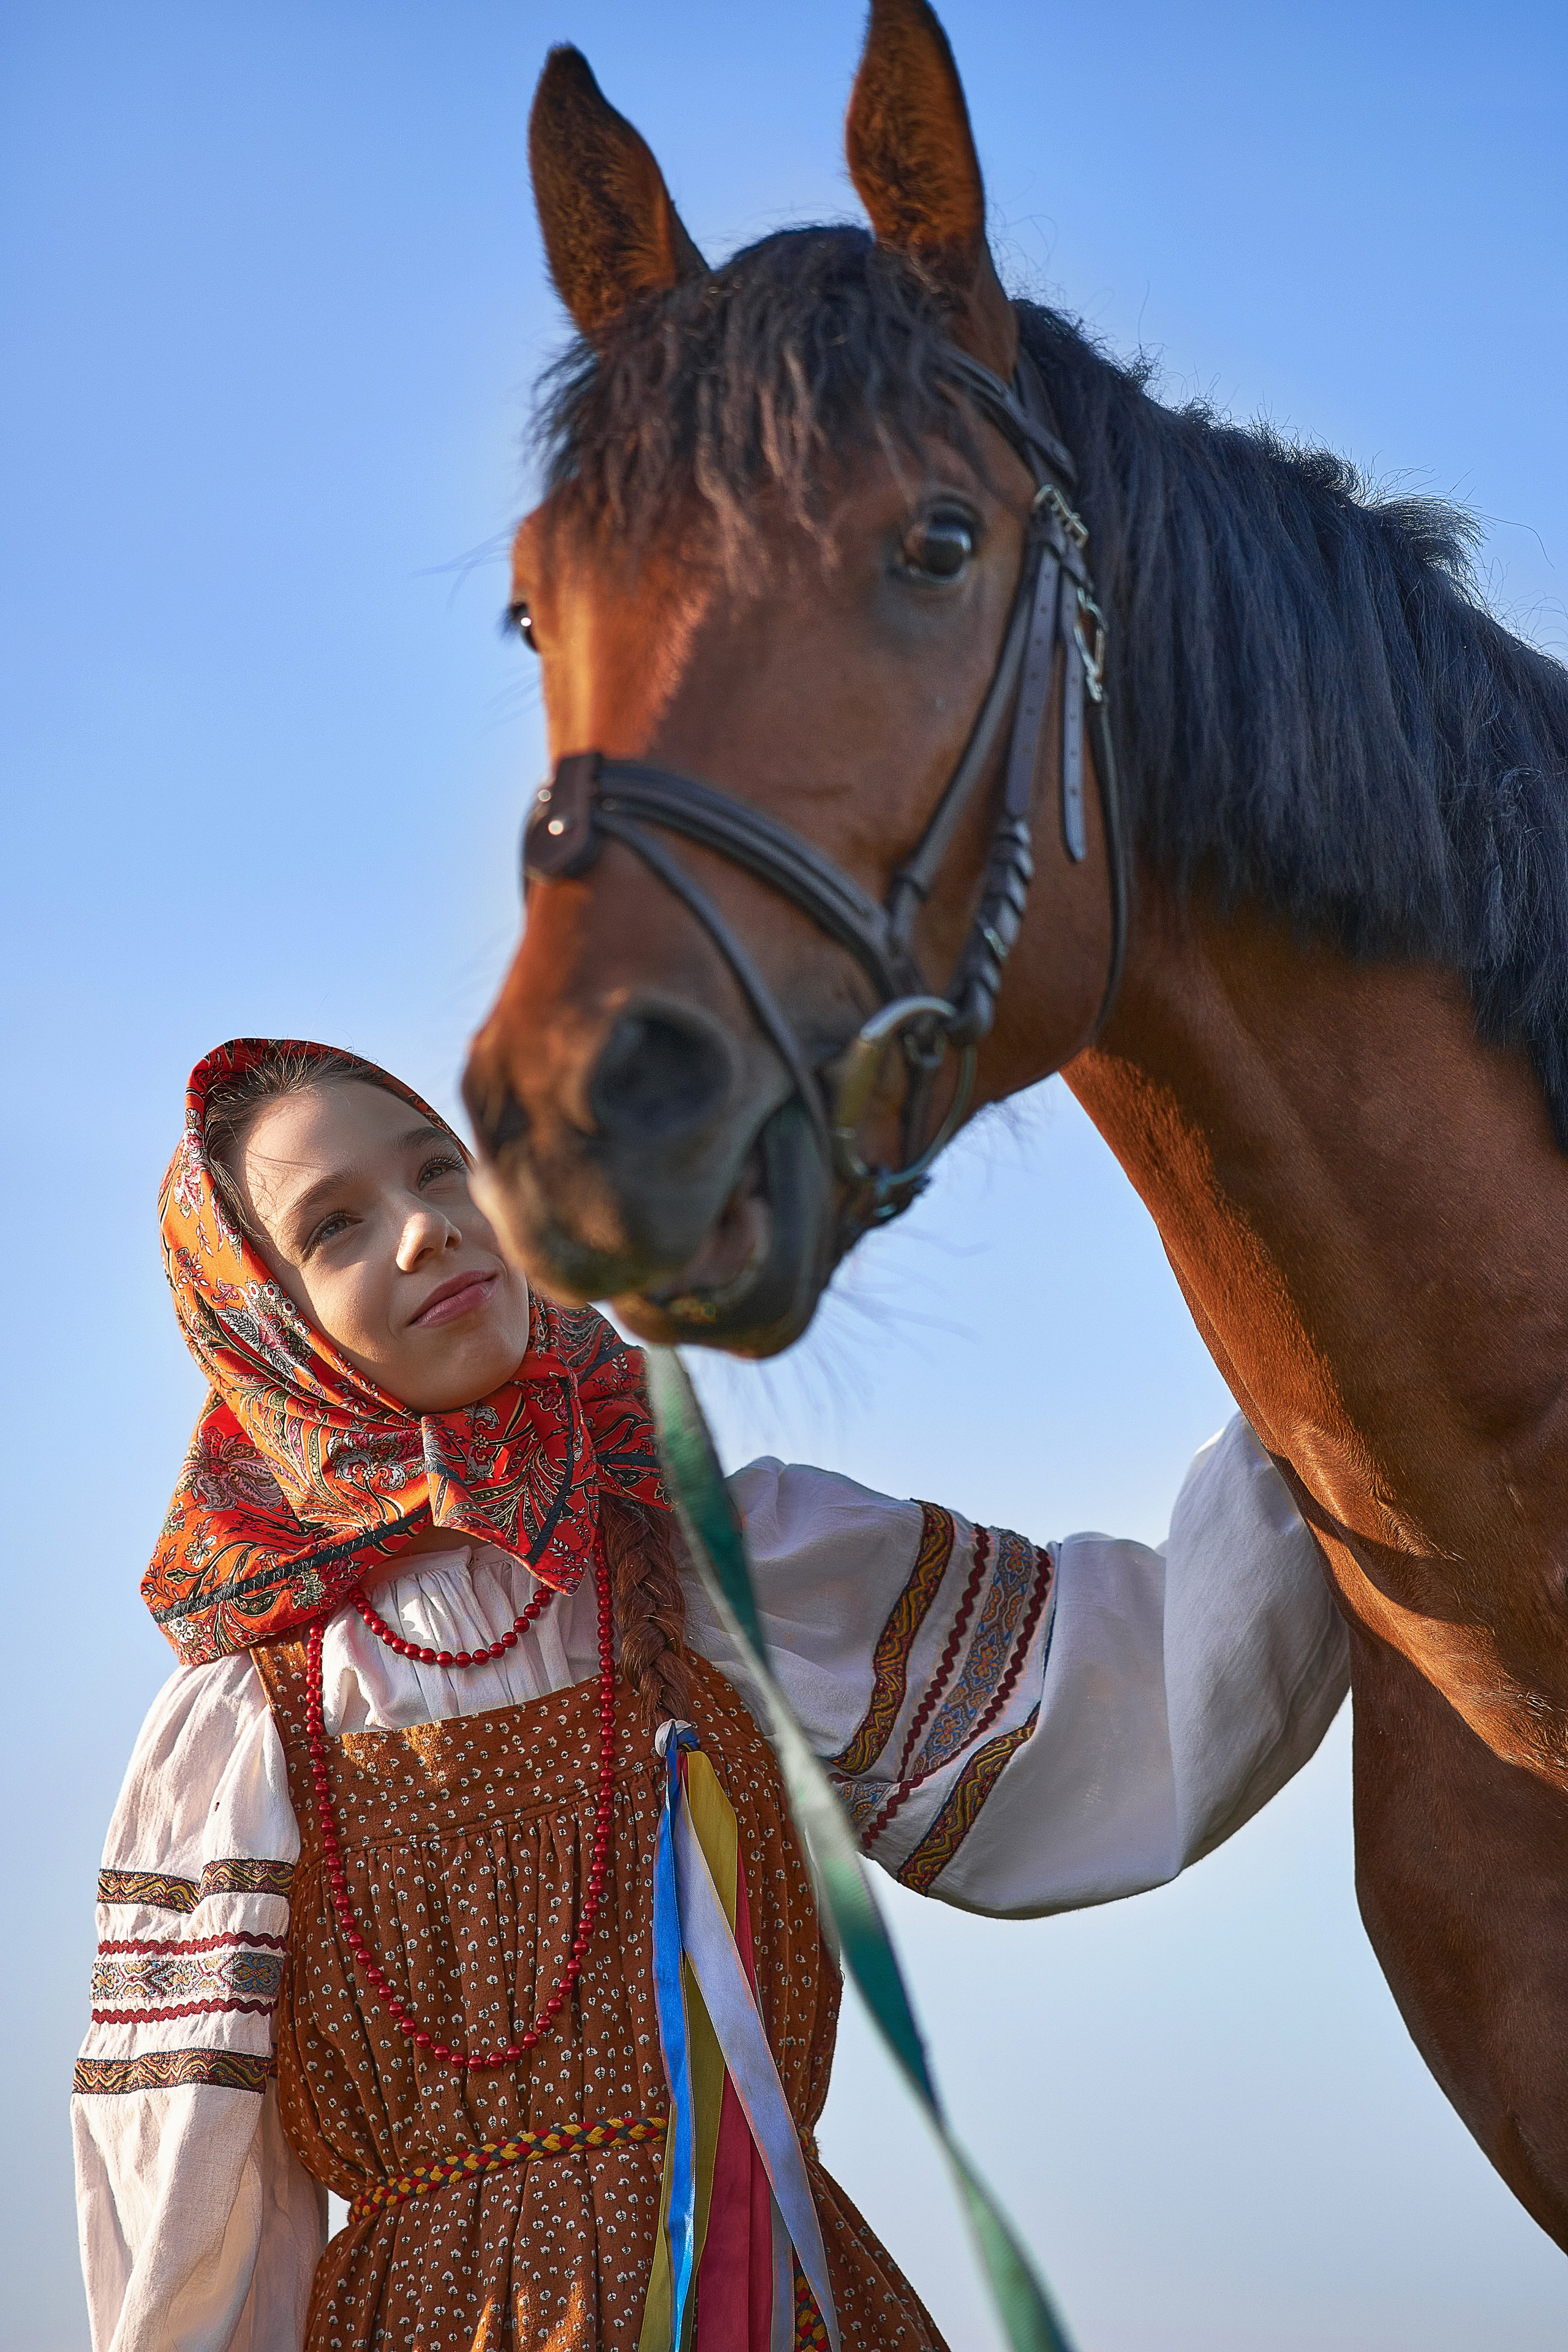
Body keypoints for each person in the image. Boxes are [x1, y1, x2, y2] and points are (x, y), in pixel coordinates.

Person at [74, 1037, 1347, 2352]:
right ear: (260, 1323)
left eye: (440, 1172)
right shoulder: (243, 1730)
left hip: (765, 2299)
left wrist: (1364, 1360)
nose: (427, 1232)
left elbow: (1127, 1692)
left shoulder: (723, 1560)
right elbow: (194, 2213)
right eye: (336, 1225)